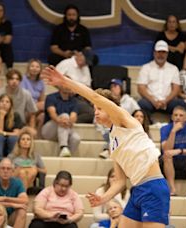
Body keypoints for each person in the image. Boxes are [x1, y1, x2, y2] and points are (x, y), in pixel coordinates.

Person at [42, 66, 170, 227]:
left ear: (110, 108)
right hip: (137, 190)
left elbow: (94, 96)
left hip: (153, 187)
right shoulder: (113, 141)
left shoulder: (124, 119)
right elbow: (120, 181)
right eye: (95, 108)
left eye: (100, 108)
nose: (95, 112)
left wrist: (65, 81)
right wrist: (104, 198)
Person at [137, 40, 186, 122]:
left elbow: (176, 89)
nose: (161, 55)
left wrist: (165, 101)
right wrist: (153, 101)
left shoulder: (173, 69)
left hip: (168, 101)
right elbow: (141, 88)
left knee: (180, 104)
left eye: (163, 52)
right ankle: (148, 125)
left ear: (167, 54)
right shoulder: (146, 68)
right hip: (150, 101)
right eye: (159, 52)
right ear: (154, 53)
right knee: (142, 104)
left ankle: (173, 127)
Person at [0, 69, 38, 136]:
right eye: (12, 79)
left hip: (18, 125)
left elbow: (33, 113)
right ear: (7, 80)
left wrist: (31, 127)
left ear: (20, 81)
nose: (14, 81)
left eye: (17, 79)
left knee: (33, 132)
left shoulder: (26, 94)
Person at [161, 106, 186, 196]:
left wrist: (180, 151)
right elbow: (166, 149)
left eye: (181, 115)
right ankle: (172, 189)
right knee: (167, 155)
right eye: (175, 115)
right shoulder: (165, 128)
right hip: (171, 161)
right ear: (172, 117)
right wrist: (173, 132)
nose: (178, 117)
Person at [0, 158, 28, 228]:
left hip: (9, 216)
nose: (5, 171)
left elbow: (25, 201)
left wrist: (4, 198)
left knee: (22, 211)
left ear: (13, 172)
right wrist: (12, 204)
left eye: (8, 169)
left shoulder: (17, 183)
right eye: (3, 168)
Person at [41, 86, 80, 157]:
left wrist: (68, 121)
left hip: (65, 129)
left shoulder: (74, 101)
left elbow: (73, 116)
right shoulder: (51, 97)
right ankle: (63, 147)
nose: (67, 86)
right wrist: (60, 120)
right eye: (64, 84)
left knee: (76, 138)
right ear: (59, 86)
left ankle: (66, 157)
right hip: (49, 130)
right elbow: (52, 113)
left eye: (68, 84)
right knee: (65, 115)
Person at [56, 51, 94, 123]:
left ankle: (69, 121)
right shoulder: (65, 64)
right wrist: (67, 90)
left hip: (83, 96)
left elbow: (88, 86)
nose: (85, 64)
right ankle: (68, 122)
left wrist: (93, 99)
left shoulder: (85, 68)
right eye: (85, 61)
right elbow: (53, 82)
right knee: (91, 113)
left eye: (86, 63)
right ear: (80, 55)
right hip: (68, 97)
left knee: (98, 110)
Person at [0, 94, 23, 162]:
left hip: (11, 143)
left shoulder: (16, 115)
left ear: (11, 105)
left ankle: (12, 160)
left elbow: (16, 134)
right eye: (2, 101)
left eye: (7, 102)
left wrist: (4, 133)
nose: (4, 104)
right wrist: (1, 116)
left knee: (13, 138)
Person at [20, 59, 46, 139]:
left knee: (42, 115)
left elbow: (41, 99)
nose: (34, 68)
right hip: (24, 108)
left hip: (34, 110)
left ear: (40, 69)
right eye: (32, 66)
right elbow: (22, 98)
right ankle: (31, 133)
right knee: (42, 105)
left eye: (37, 67)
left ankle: (36, 135)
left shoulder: (41, 82)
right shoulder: (23, 79)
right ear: (28, 68)